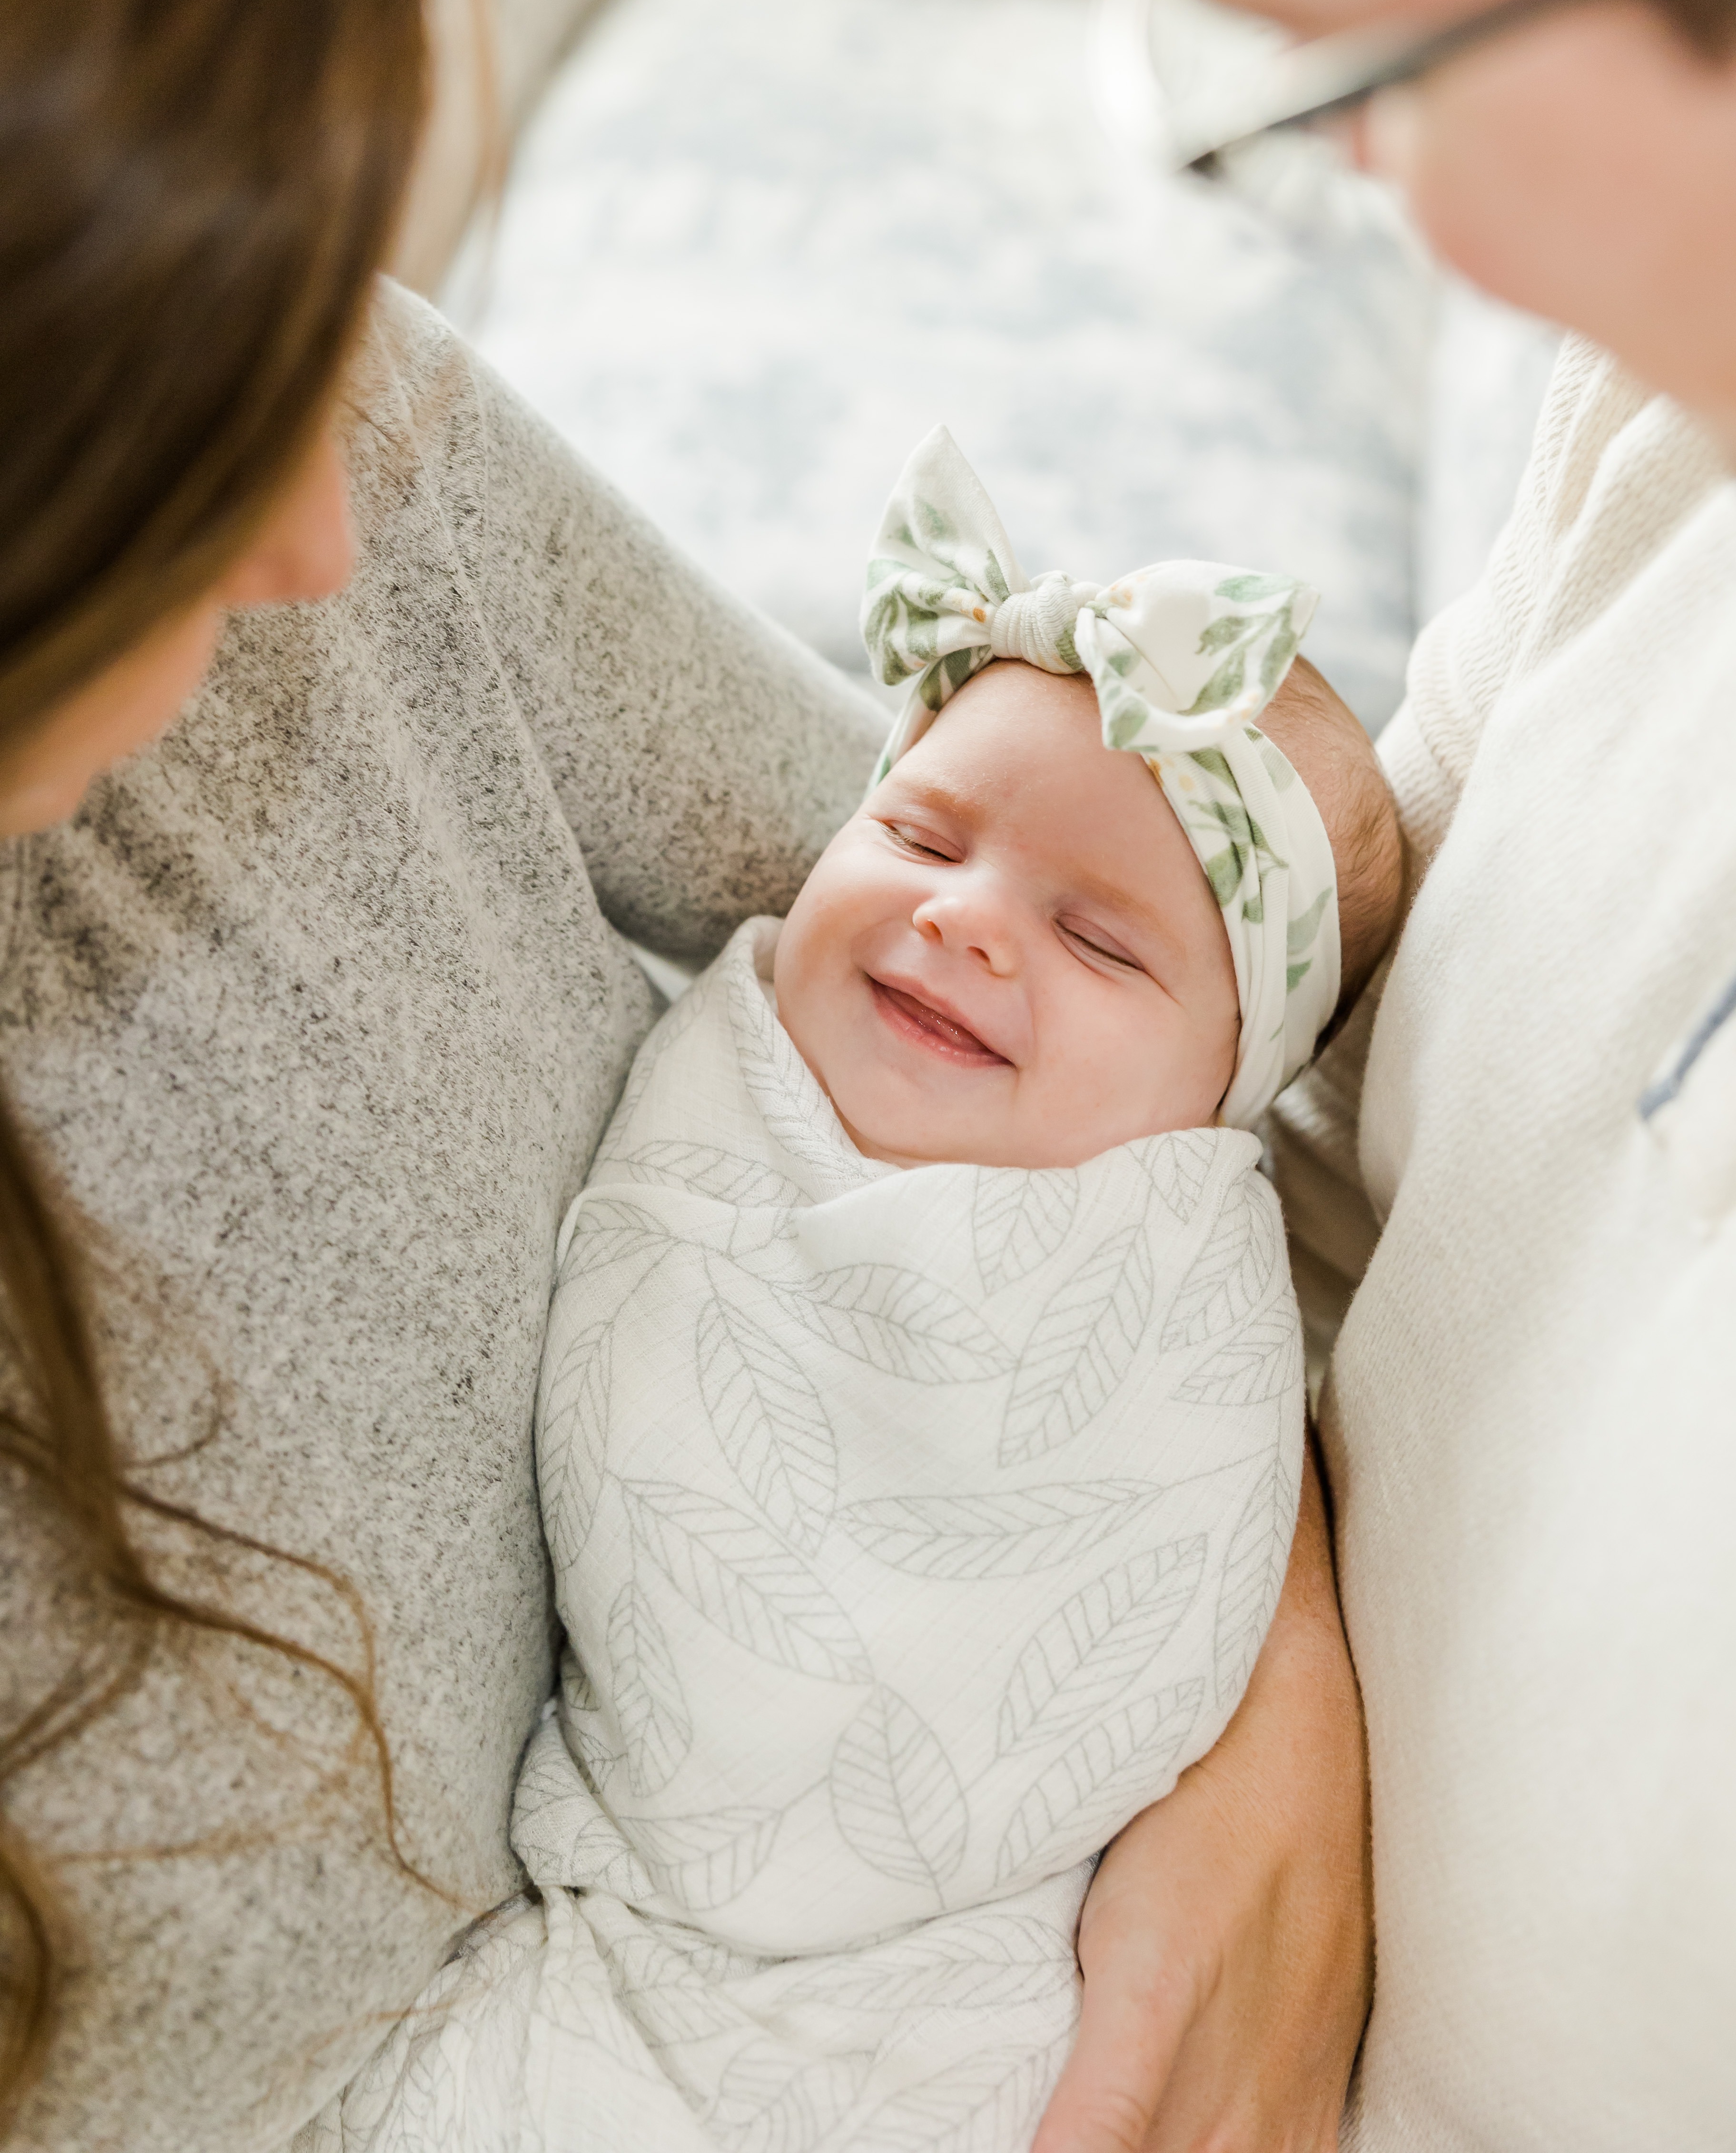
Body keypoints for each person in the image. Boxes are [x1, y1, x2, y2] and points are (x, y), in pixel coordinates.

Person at [0, 0, 1363, 2153]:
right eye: (201, 438)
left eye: (342, 322)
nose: (329, 535)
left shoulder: (304, 388)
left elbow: (1094, 974)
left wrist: (1260, 1691)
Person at [1007, 0, 1736, 2147]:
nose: (1411, 221)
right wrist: (1275, 1711)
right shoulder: (1662, 433)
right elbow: (1292, 1123)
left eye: (1367, 56)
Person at [304, 433, 1402, 2150]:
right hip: (632, 1915)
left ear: (1218, 1103)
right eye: (916, 830)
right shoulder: (725, 1061)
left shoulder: (1170, 1261)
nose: (965, 921)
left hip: (954, 1971)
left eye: (1105, 943)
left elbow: (1101, 1573)